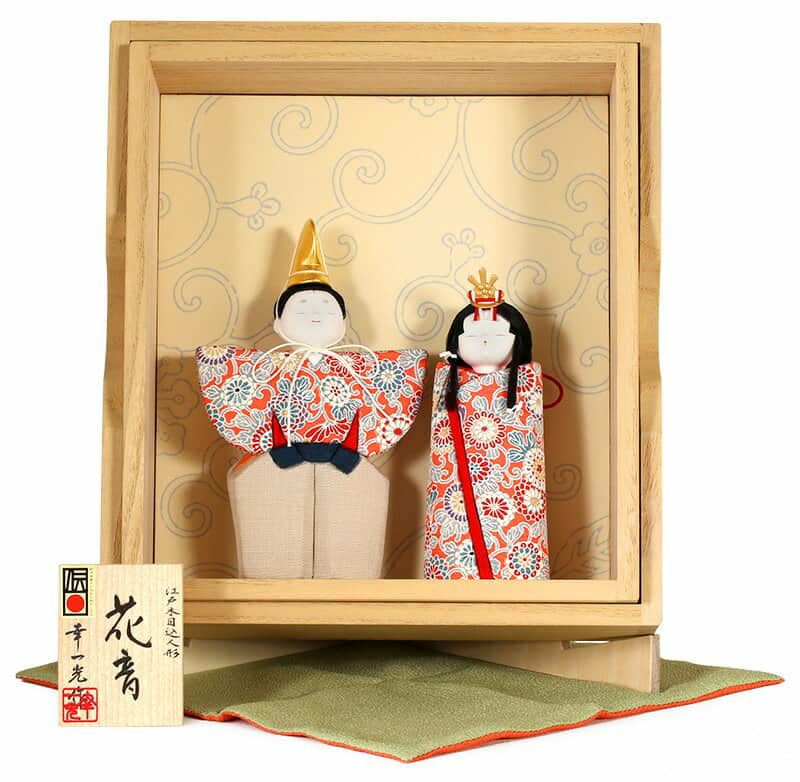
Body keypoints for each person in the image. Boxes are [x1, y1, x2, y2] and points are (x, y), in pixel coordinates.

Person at [196, 219, 426, 578]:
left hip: (346, 464)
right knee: (274, 550)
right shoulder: (264, 369)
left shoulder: (359, 369)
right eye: (302, 309)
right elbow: (226, 377)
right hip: (277, 462)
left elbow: (399, 380)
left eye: (327, 310)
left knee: (347, 556)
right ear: (278, 323)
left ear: (343, 322)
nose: (315, 315)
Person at [424, 268, 550, 580]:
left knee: (521, 508)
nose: (483, 341)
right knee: (453, 519)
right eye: (471, 335)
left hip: (515, 508)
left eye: (497, 336)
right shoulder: (448, 381)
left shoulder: (525, 384)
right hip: (454, 505)